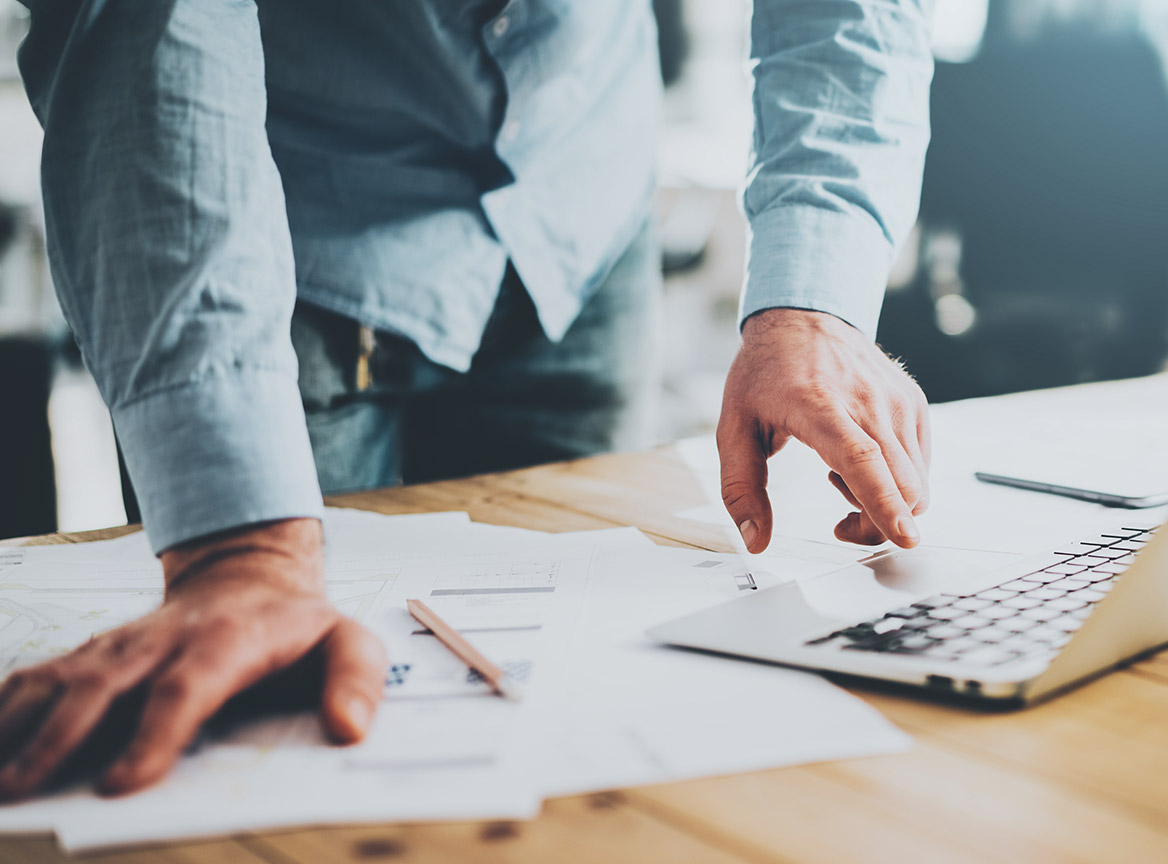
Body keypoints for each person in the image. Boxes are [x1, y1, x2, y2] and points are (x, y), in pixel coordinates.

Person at [0, 0, 934, 800]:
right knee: (278, 728)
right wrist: (237, 548)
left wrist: (813, 299)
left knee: (566, 697)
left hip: (577, 209)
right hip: (283, 226)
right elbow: (146, 32)